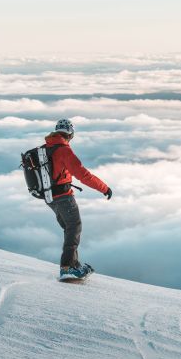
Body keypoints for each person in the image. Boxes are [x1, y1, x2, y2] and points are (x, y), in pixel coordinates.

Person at [45, 119, 112, 280]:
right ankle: (67, 267)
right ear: (71, 134)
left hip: (49, 197)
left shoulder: (46, 148)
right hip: (63, 197)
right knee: (74, 228)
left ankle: (74, 264)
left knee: (69, 229)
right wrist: (104, 188)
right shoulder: (64, 151)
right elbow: (83, 175)